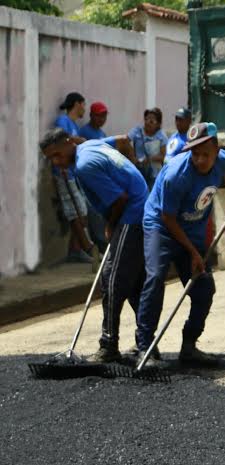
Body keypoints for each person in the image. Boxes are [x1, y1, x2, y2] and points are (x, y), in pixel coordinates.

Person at [135, 122, 225, 365]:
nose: (200, 160)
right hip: (161, 227)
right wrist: (193, 253)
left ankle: (189, 347)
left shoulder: (224, 159)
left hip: (191, 230)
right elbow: (167, 218)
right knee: (155, 277)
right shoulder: (176, 175)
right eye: (195, 154)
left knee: (204, 289)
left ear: (217, 149)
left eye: (206, 154)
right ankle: (145, 346)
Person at [40, 128, 148, 362]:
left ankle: (108, 346)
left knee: (111, 280)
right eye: (51, 159)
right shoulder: (89, 145)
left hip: (131, 215)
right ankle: (148, 345)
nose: (57, 163)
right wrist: (134, 174)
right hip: (140, 209)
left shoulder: (84, 166)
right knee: (132, 283)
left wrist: (111, 225)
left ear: (68, 143)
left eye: (58, 155)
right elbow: (122, 139)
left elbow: (120, 199)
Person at [53, 92, 96, 263]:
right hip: (63, 173)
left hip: (72, 174)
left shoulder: (74, 125)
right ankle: (79, 249)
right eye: (83, 105)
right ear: (77, 104)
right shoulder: (62, 121)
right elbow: (59, 140)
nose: (84, 108)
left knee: (81, 211)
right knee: (75, 211)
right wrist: (78, 140)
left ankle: (75, 249)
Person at [129, 107, 168, 188]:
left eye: (151, 120)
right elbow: (125, 141)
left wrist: (149, 159)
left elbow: (164, 156)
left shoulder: (161, 136)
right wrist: (133, 157)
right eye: (146, 119)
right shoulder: (137, 131)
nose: (147, 122)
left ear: (158, 123)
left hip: (155, 175)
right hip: (138, 172)